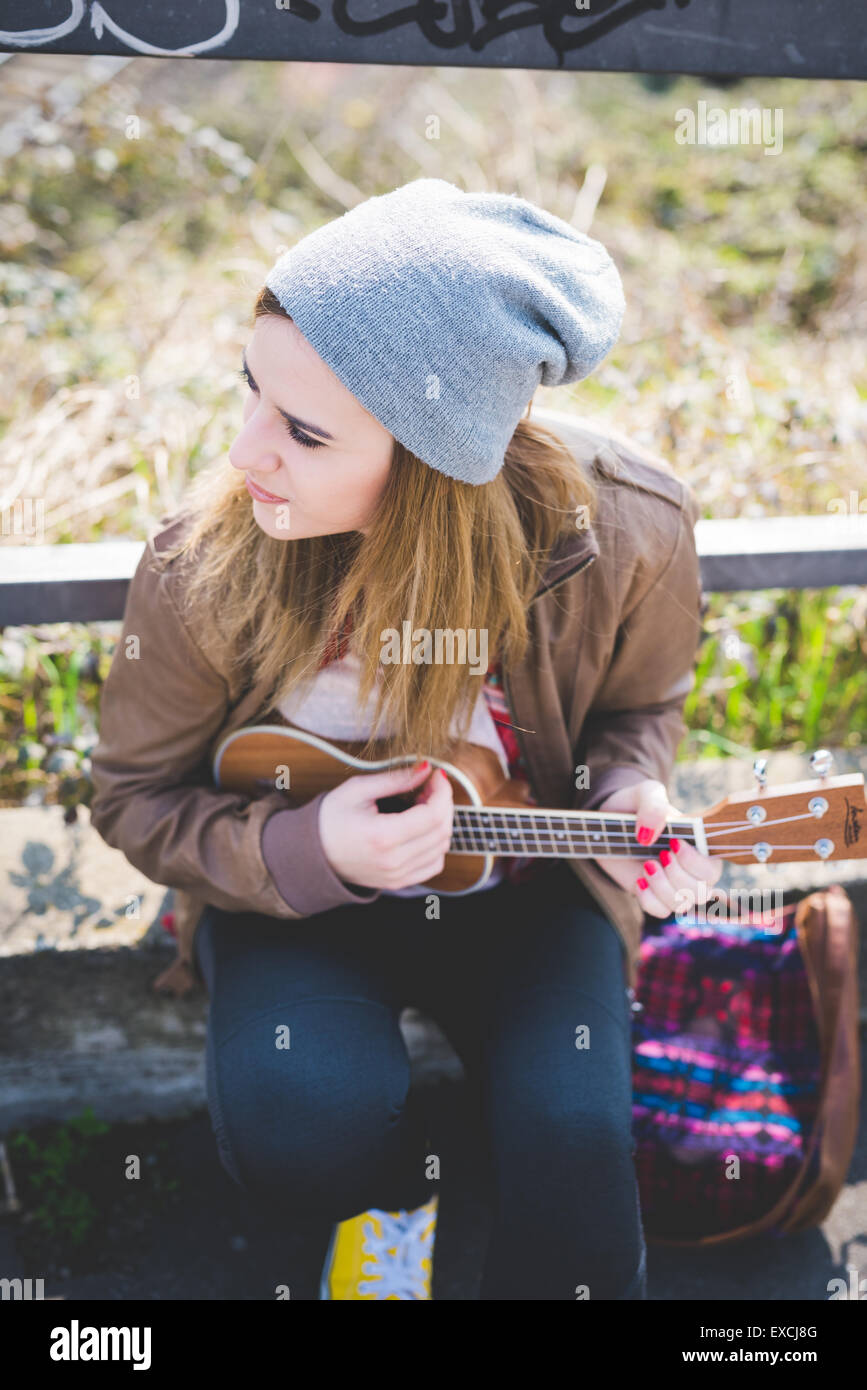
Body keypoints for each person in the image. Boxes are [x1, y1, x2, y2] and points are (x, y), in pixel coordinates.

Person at [90, 177, 722, 1300]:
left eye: (303, 429)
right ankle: (395, 1201)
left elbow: (640, 711)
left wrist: (629, 792)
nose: (246, 454)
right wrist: (307, 850)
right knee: (298, 1124)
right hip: (295, 902)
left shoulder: (629, 526)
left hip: (529, 878)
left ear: (439, 453)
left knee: (578, 1164)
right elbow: (135, 798)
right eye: (251, 392)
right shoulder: (206, 567)